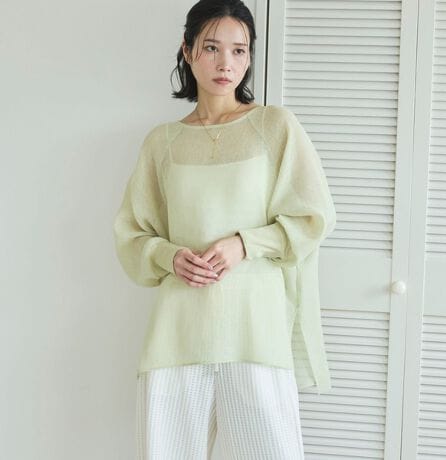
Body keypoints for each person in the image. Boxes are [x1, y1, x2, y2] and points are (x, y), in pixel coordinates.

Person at [113, 0, 337, 458]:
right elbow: (132, 233)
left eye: (239, 50)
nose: (226, 63)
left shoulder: (274, 127)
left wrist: (244, 244)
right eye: (212, 48)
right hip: (177, 333)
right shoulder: (162, 142)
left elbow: (313, 217)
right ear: (187, 50)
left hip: (255, 331)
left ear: (250, 56)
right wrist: (170, 256)